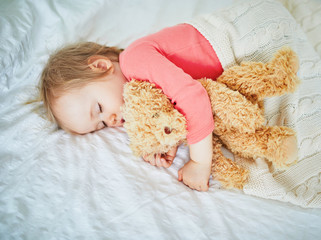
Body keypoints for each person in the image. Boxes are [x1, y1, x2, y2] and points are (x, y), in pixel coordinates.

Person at [40, 24, 224, 192]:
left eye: (99, 108)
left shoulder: (134, 59)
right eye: (102, 124)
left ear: (101, 66)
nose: (110, 121)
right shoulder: (142, 96)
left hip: (233, 40)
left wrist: (199, 161)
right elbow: (175, 108)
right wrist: (166, 140)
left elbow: (192, 97)